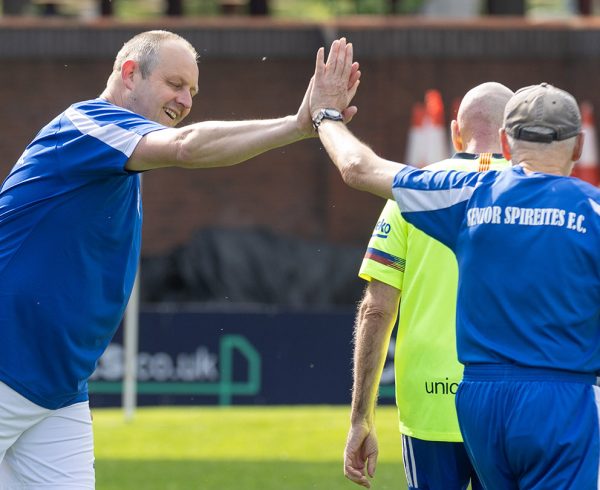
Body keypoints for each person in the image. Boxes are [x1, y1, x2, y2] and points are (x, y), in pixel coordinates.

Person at [0, 31, 359, 488]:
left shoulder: (115, 154)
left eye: (192, 91)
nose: (186, 101)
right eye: (174, 84)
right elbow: (186, 146)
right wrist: (297, 124)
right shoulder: (87, 124)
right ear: (130, 73)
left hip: (57, 389)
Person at [309, 40, 600, 488]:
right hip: (561, 396)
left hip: (477, 401)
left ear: (508, 141)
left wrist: (325, 115)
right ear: (578, 146)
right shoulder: (591, 210)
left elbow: (358, 168)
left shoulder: (464, 194)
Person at [344, 82, 514, 490]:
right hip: (508, 399)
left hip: (428, 400)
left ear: (456, 132)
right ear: (511, 134)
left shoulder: (411, 191)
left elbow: (376, 309)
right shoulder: (534, 195)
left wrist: (360, 417)